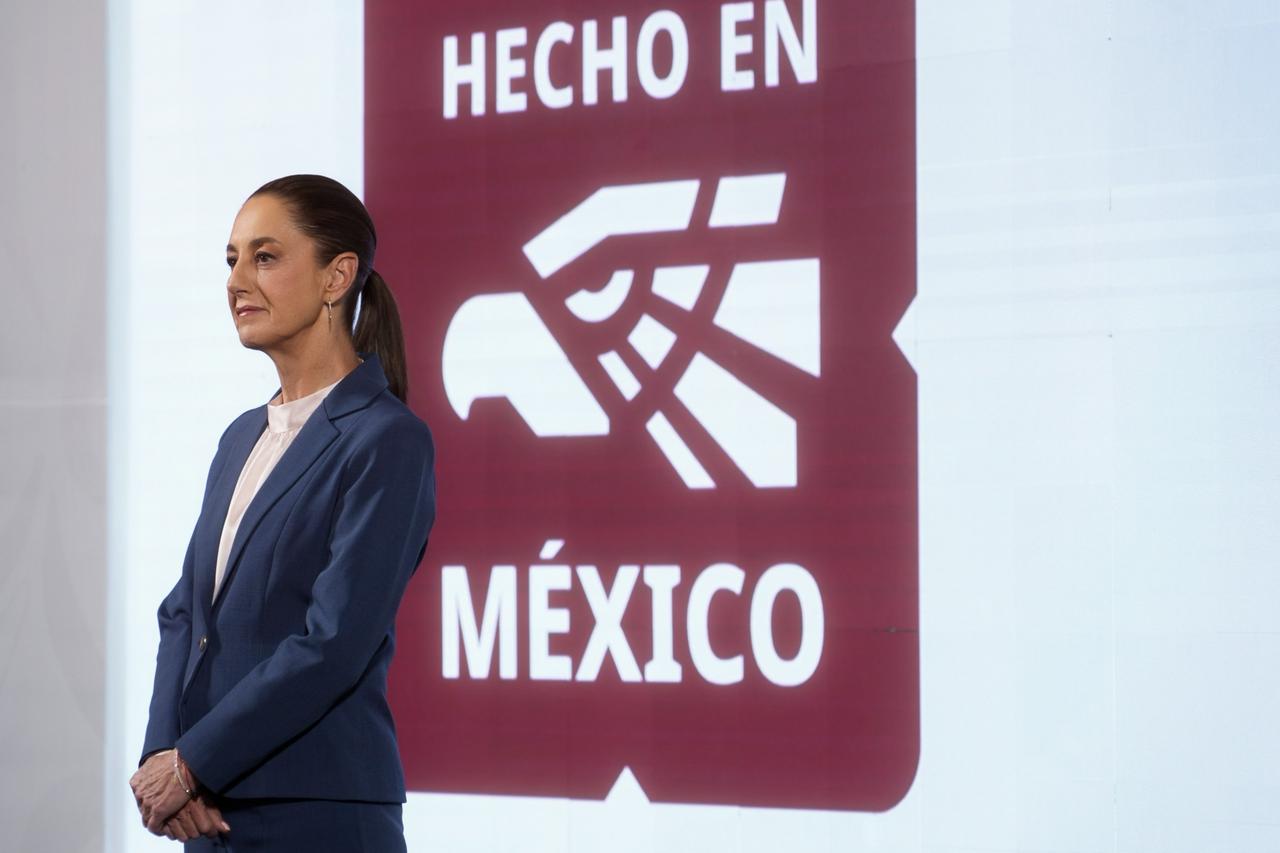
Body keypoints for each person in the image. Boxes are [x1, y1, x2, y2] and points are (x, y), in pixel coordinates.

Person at [129, 174, 436, 851]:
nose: (237, 280)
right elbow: (184, 612)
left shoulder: (386, 438)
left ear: (337, 277)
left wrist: (192, 761)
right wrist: (163, 757)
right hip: (206, 813)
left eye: (265, 257)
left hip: (317, 814)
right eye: (232, 259)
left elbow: (334, 642)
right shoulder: (241, 435)